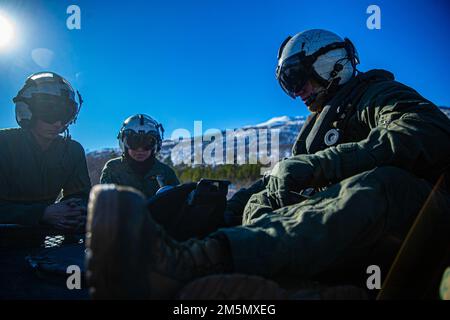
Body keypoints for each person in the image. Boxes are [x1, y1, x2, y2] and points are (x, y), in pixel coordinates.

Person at [86, 29, 450, 299]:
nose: (297, 92)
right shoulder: (316, 125)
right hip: (353, 234)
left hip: (416, 218)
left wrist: (323, 164)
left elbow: (429, 130)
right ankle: (299, 289)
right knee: (260, 200)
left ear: (328, 63)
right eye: (287, 84)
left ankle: (190, 265)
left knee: (377, 184)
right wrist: (224, 211)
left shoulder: (377, 94)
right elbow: (285, 178)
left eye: (297, 78)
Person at [0, 72, 91, 231]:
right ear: (27, 110)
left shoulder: (72, 150)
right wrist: (40, 213)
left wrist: (74, 210)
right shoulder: (4, 143)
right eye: (50, 113)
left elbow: (80, 195)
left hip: (44, 240)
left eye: (65, 116)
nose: (58, 123)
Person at [100, 114, 179, 197]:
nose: (140, 149)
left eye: (148, 143)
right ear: (124, 143)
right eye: (133, 142)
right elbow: (107, 204)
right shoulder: (113, 169)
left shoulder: (165, 172)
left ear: (156, 145)